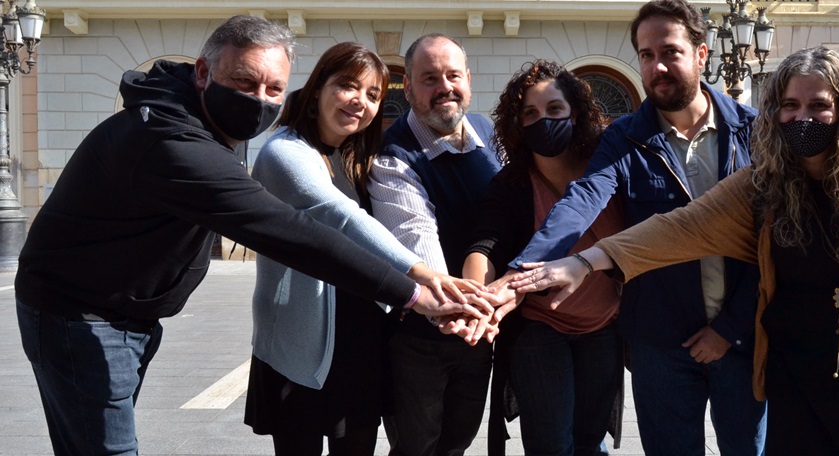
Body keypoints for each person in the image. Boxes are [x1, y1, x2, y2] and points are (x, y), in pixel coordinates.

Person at [14, 17, 489, 456]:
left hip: (130, 312)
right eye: (244, 81)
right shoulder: (174, 141)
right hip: (80, 313)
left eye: (273, 88)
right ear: (202, 73)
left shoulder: (211, 127)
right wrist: (417, 287)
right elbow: (304, 229)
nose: (259, 98)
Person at [511, 46, 839, 456]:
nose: (803, 118)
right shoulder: (762, 187)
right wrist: (584, 262)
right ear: (775, 111)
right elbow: (677, 229)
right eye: (790, 105)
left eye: (819, 105)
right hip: (803, 379)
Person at [501, 1, 766, 454]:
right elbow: (583, 198)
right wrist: (525, 271)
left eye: (669, 51)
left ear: (702, 55)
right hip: (660, 344)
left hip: (741, 338)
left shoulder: (754, 133)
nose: (657, 66)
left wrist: (730, 327)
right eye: (645, 55)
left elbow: (770, 242)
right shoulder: (624, 138)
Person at [243, 42, 483, 456]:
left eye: (374, 95)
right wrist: (425, 275)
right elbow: (342, 217)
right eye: (348, 86)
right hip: (301, 347)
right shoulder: (284, 151)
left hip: (360, 344)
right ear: (318, 87)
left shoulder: (357, 155)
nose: (361, 102)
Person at [462, 60, 626, 455]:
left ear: (577, 112)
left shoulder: (609, 169)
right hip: (541, 327)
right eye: (530, 114)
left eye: (554, 110)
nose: (543, 120)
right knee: (551, 443)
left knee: (591, 440)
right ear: (516, 124)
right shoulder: (512, 184)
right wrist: (477, 296)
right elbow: (487, 243)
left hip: (604, 327)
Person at [368, 33, 502, 455]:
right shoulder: (393, 156)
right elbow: (416, 238)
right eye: (429, 78)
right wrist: (467, 307)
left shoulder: (489, 134)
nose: (444, 86)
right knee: (415, 447)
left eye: (453, 75)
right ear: (407, 88)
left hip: (477, 330)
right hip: (421, 338)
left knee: (457, 442)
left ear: (469, 80)